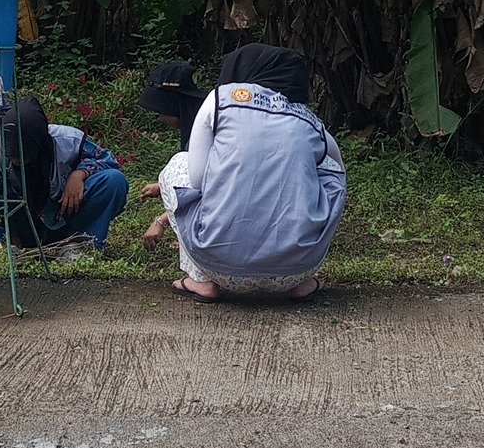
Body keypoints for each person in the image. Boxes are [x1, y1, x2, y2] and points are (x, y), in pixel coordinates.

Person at [145, 42, 347, 302]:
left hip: (218, 265)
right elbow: (338, 167)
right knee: (329, 169)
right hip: (293, 271)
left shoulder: (221, 99)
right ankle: (305, 281)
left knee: (179, 162)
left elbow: (195, 180)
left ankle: (200, 280)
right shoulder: (307, 119)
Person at [0, 96, 128, 254]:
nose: (17, 160)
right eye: (12, 155)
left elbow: (109, 163)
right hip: (15, 225)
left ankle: (78, 244)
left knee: (113, 180)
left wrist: (80, 173)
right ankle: (2, 247)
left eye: (23, 155)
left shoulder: (68, 140)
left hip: (60, 219)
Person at [137, 61, 207, 204]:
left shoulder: (208, 129)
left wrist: (161, 222)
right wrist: (162, 187)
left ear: (174, 105)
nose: (161, 118)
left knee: (178, 162)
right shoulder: (197, 121)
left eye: (162, 111)